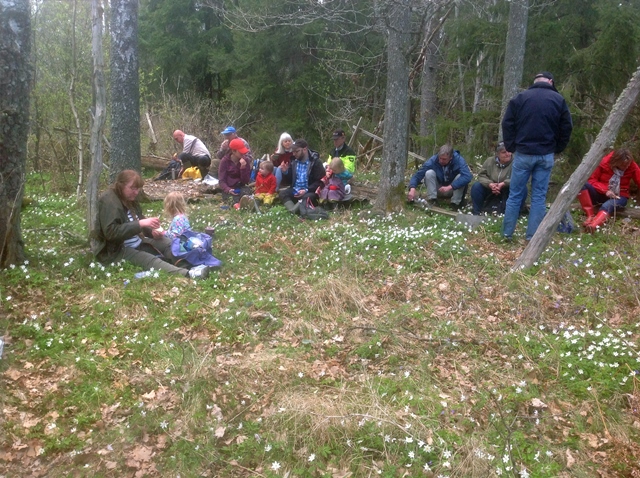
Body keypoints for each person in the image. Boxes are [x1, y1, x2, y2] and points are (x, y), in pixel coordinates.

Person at [92, 170, 210, 280]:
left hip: (138, 241)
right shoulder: (109, 201)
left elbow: (139, 220)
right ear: (121, 185)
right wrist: (140, 224)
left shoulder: (129, 198)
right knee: (150, 260)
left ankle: (190, 264)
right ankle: (188, 274)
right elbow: (111, 232)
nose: (136, 192)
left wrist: (151, 232)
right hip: (117, 251)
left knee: (169, 243)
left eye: (138, 188)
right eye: (132, 188)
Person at [501, 71, 573, 241]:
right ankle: (532, 237)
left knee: (515, 194)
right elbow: (566, 127)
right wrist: (558, 148)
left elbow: (507, 123)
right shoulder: (558, 100)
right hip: (545, 154)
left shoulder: (521, 98)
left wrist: (511, 146)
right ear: (550, 81)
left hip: (523, 153)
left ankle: (507, 234)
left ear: (535, 82)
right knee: (539, 197)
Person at [577, 148, 640, 232]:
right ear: (616, 162)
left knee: (607, 206)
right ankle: (590, 216)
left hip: (619, 196)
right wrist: (605, 190)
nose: (626, 167)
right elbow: (591, 180)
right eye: (623, 165)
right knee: (582, 184)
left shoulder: (632, 166)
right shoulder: (604, 162)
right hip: (601, 193)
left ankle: (593, 226)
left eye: (627, 165)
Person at [407, 144, 472, 210]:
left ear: (451, 157)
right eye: (440, 158)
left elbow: (467, 176)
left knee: (461, 176)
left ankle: (455, 204)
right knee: (429, 173)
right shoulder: (433, 160)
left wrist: (450, 187)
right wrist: (412, 189)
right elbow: (418, 175)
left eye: (444, 159)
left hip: (452, 189)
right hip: (439, 189)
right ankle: (433, 199)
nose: (441, 161)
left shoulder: (458, 160)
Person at [470, 142, 525, 215]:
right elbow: (481, 175)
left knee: (523, 189)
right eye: (504, 152)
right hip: (491, 188)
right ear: (497, 154)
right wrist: (490, 184)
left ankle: (516, 214)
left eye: (509, 151)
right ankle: (477, 212)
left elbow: (520, 178)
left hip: (508, 189)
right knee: (476, 187)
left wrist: (504, 183)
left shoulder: (517, 162)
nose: (507, 154)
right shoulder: (489, 161)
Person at [278, 139, 326, 214]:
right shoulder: (293, 161)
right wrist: (285, 172)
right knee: (282, 193)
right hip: (295, 190)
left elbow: (320, 182)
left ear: (304, 149)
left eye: (296, 151)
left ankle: (295, 209)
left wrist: (306, 190)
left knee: (307, 197)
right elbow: (289, 181)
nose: (294, 154)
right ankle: (294, 209)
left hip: (309, 191)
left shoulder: (315, 162)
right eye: (293, 151)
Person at [218, 137, 252, 206]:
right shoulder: (224, 161)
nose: (243, 154)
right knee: (231, 197)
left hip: (241, 187)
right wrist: (228, 189)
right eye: (240, 152)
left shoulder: (246, 160)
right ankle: (237, 205)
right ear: (233, 151)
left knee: (246, 192)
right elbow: (221, 180)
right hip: (229, 188)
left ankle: (246, 203)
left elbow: (245, 181)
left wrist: (243, 168)